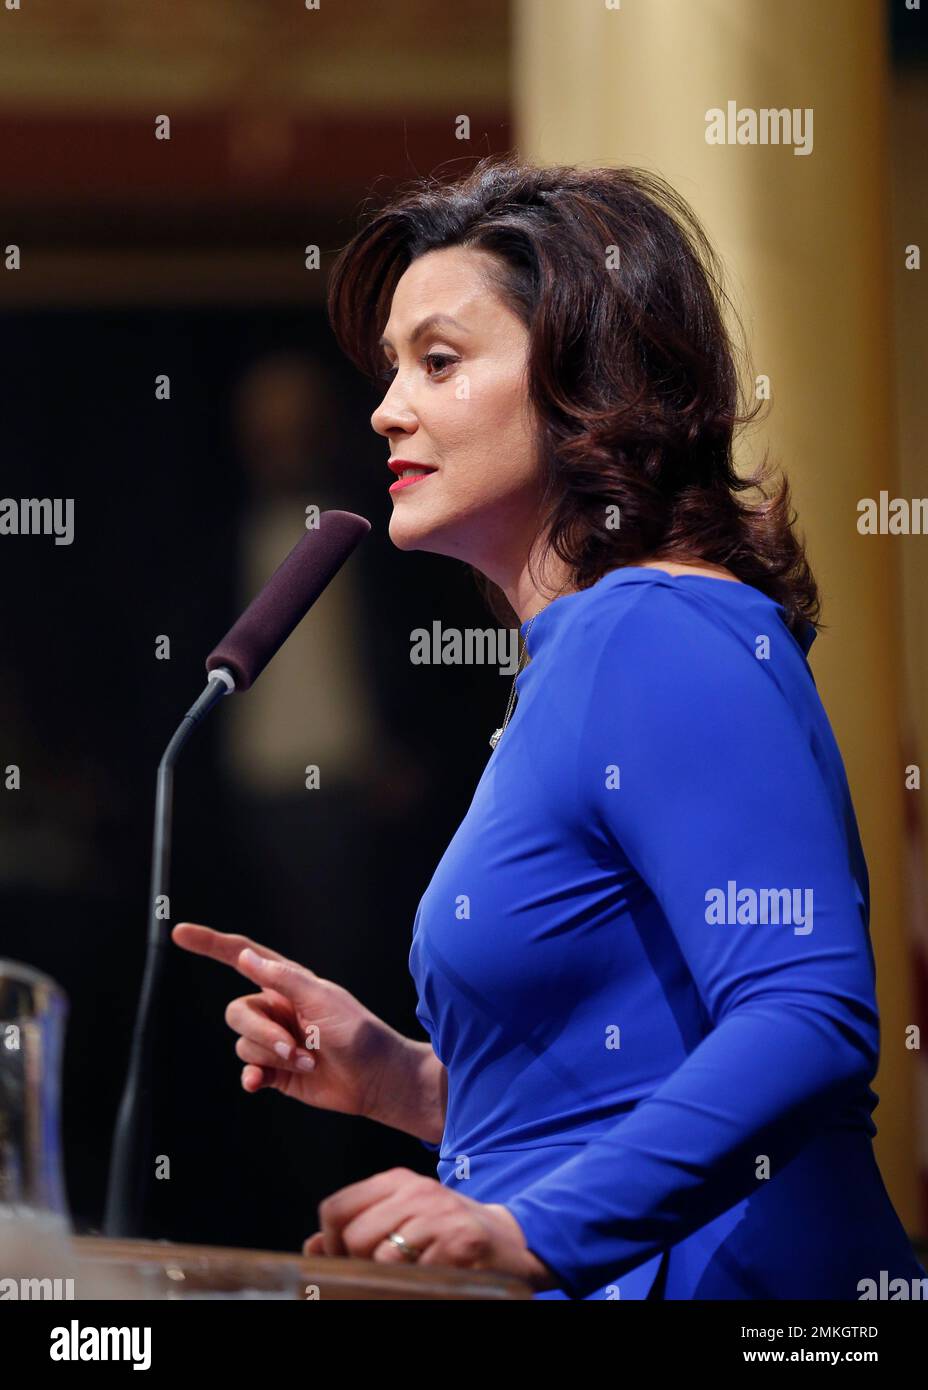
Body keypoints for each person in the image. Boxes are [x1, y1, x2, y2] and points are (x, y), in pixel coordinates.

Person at [173, 155, 927, 1300]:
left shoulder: (658, 631)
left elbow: (808, 1013)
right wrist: (408, 1085)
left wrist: (530, 1234)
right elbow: (616, 1082)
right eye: (390, 369)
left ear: (583, 379)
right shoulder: (578, 663)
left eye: (438, 360)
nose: (386, 408)